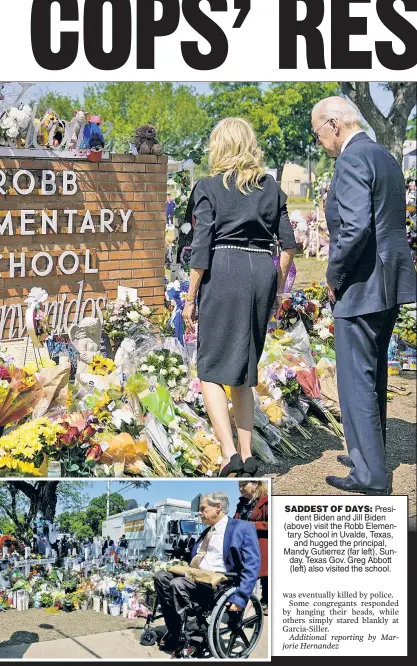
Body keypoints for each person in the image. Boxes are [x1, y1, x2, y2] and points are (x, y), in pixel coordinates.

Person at [311, 96, 416, 495]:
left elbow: (355, 229)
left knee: (357, 380)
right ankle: (365, 453)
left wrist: (333, 275)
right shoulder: (384, 155)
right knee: (371, 377)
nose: (320, 142)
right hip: (387, 284)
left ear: (334, 124)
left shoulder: (353, 158)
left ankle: (370, 475)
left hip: (361, 284)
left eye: (318, 132)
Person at [182, 118, 297, 477]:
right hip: (263, 269)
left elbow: (200, 248)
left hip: (225, 269)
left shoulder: (209, 186)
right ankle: (248, 456)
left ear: (221, 147)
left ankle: (229, 452)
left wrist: (189, 297)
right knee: (245, 369)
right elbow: (289, 246)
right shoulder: (271, 187)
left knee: (211, 369)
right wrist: (275, 287)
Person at [154, 492, 260, 657]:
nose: (199, 512)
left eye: (203, 508)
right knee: (161, 577)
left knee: (178, 584)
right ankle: (175, 631)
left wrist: (241, 597)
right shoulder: (207, 532)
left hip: (220, 582)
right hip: (196, 577)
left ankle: (196, 640)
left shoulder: (242, 528)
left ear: (218, 507)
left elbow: (252, 565)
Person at [235, 481, 269, 615]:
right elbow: (236, 519)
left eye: (243, 485)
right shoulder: (242, 503)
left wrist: (250, 526)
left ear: (255, 484)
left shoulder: (266, 501)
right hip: (244, 545)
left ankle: (266, 602)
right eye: (239, 486)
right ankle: (244, 604)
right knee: (246, 575)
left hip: (262, 543)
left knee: (266, 577)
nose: (241, 489)